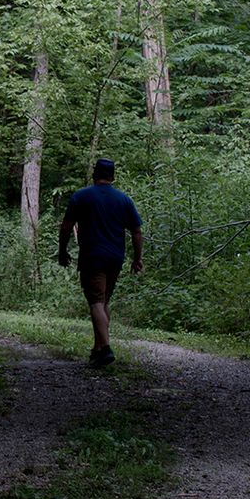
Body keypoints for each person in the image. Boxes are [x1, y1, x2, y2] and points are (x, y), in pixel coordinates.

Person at [56, 158, 143, 368]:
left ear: (95, 175)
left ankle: (106, 348)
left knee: (95, 302)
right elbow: (137, 232)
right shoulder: (124, 200)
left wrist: (62, 251)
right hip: (115, 258)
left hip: (92, 257)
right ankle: (96, 350)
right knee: (102, 302)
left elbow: (67, 226)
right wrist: (137, 258)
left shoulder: (81, 196)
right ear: (112, 177)